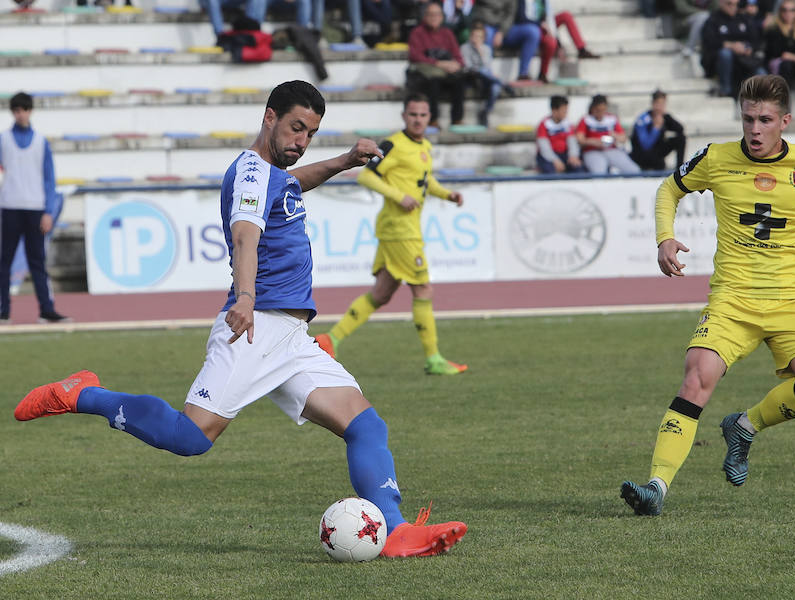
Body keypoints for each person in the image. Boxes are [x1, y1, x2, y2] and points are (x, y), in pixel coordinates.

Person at [13, 81, 467, 557]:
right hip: (255, 326)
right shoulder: (251, 172)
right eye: (295, 128)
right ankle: (84, 394)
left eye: (311, 133)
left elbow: (292, 185)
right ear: (268, 116)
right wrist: (246, 296)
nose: (301, 141)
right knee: (190, 438)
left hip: (291, 337)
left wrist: (342, 160)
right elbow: (246, 235)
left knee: (367, 426)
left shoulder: (275, 172)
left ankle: (394, 531)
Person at [620, 74, 795, 517]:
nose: (753, 129)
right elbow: (669, 189)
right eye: (747, 118)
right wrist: (664, 238)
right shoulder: (716, 158)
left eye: (765, 120)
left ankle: (744, 426)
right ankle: (656, 487)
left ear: (784, 121)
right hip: (734, 300)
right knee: (696, 375)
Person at [315, 93, 468, 376]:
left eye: (423, 115)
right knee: (423, 289)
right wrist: (399, 196)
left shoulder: (424, 147)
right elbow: (366, 175)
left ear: (428, 118)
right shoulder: (392, 144)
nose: (418, 120)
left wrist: (447, 194)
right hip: (401, 231)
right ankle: (433, 358)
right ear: (404, 116)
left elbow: (424, 180)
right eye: (413, 114)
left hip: (400, 230)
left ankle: (330, 339)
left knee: (381, 294)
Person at [0, 92, 68, 324]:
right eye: (17, 110)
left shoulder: (41, 142)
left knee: (37, 261)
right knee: (4, 261)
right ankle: (3, 309)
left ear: (30, 111)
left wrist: (49, 211)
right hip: (9, 206)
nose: (21, 114)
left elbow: (50, 179)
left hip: (35, 208)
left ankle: (46, 309)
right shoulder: (3, 140)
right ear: (12, 112)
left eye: (24, 110)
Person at [406, 1, 467, 127]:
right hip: (425, 74)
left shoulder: (447, 33)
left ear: (442, 17)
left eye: (437, 14)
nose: (434, 17)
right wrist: (438, 63)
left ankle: (457, 120)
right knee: (433, 82)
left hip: (445, 73)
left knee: (460, 81)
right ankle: (433, 120)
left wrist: (455, 64)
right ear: (425, 16)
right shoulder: (417, 33)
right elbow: (415, 56)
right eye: (431, 14)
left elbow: (458, 57)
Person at [521, 0, 599, 83]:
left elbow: (550, 21)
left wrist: (559, 44)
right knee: (549, 41)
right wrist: (539, 24)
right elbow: (522, 17)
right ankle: (542, 73)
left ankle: (582, 49)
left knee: (566, 15)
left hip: (544, 26)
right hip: (531, 27)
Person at [701, 0, 766, 97]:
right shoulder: (713, 19)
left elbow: (756, 41)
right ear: (721, 3)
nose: (733, 7)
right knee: (725, 53)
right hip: (721, 64)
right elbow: (709, 41)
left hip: (744, 61)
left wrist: (748, 48)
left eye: (736, 4)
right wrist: (731, 45)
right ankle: (725, 89)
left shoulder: (744, 19)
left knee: (762, 74)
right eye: (729, 3)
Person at [472, 0, 541, 80]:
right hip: (487, 25)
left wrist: (501, 31)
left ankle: (523, 74)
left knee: (533, 32)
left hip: (506, 29)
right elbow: (482, 12)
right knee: (487, 34)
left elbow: (510, 15)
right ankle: (487, 75)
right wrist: (496, 27)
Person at [575, 94, 641, 175]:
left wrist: (615, 136)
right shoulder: (586, 120)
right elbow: (580, 139)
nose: (600, 113)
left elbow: (623, 138)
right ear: (593, 109)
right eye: (598, 110)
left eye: (603, 110)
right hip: (592, 151)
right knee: (599, 172)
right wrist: (593, 142)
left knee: (634, 170)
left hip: (611, 150)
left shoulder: (611, 119)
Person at [461, 21, 510, 126]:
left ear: (483, 38)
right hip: (471, 77)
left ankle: (486, 111)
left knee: (495, 87)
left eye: (479, 37)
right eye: (474, 36)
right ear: (470, 36)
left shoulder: (486, 49)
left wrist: (480, 53)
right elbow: (468, 67)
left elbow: (487, 67)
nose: (476, 39)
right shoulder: (464, 48)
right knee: (482, 72)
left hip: (485, 78)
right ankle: (504, 84)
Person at [629, 90, 687, 171]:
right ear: (653, 104)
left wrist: (667, 117)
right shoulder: (643, 119)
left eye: (662, 104)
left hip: (656, 153)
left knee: (681, 138)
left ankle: (680, 169)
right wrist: (656, 128)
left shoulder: (664, 117)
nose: (660, 107)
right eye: (658, 104)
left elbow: (680, 129)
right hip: (642, 155)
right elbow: (645, 145)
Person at [535, 95, 585, 174]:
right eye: (563, 111)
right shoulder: (544, 125)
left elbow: (572, 142)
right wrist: (555, 160)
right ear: (554, 110)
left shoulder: (567, 124)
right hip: (549, 156)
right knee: (550, 171)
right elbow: (544, 148)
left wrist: (573, 156)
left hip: (565, 154)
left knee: (579, 169)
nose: (566, 113)